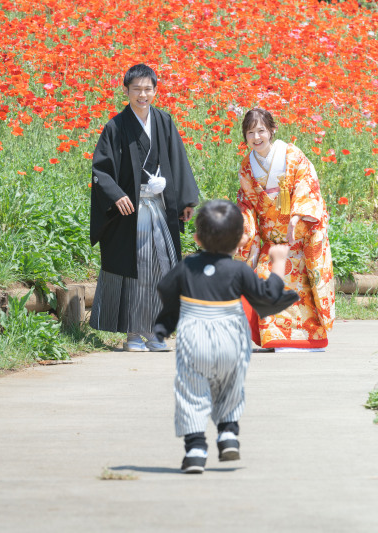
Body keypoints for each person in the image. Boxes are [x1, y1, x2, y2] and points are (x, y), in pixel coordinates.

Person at [154, 200, 298, 473]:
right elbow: (268, 296)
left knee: (192, 391)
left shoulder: (188, 266)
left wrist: (165, 324)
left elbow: (165, 288)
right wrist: (278, 263)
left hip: (194, 338)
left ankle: (195, 450)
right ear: (240, 240)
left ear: (196, 238)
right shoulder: (239, 270)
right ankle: (228, 434)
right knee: (231, 387)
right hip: (232, 339)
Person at [89, 63, 199, 352]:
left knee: (161, 267)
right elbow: (101, 169)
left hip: (159, 207)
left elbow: (179, 161)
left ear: (155, 90)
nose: (142, 94)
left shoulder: (164, 122)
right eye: (136, 89)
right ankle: (133, 334)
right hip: (129, 212)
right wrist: (116, 195)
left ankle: (155, 332)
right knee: (135, 268)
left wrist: (185, 201)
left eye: (147, 89)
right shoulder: (115, 126)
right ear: (125, 91)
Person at [236, 108, 335, 351]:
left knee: (303, 288)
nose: (256, 137)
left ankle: (309, 340)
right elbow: (246, 203)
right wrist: (244, 229)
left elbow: (306, 184)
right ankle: (276, 339)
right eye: (251, 132)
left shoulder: (292, 155)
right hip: (272, 241)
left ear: (272, 130)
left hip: (298, 240)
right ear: (245, 136)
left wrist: (297, 216)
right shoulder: (248, 166)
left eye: (261, 131)